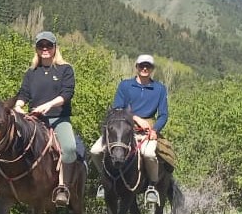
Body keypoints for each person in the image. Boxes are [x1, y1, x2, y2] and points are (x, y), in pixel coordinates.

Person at [91, 54, 170, 204]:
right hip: (123, 128)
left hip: (146, 131)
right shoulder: (125, 85)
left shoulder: (159, 89)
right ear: (137, 67)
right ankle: (104, 181)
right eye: (142, 65)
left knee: (148, 153)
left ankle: (152, 187)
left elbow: (164, 115)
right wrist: (136, 118)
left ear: (152, 69)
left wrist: (155, 130)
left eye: (148, 66)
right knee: (95, 150)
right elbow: (118, 108)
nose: (144, 68)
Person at [14, 31, 78, 205]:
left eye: (48, 45)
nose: (45, 49)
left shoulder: (65, 69)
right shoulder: (31, 72)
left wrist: (49, 105)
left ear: (55, 48)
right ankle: (0, 182)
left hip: (59, 118)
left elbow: (67, 93)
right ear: (36, 49)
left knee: (70, 148)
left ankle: (63, 187)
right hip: (35, 119)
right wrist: (19, 105)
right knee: (10, 139)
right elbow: (24, 93)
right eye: (41, 46)